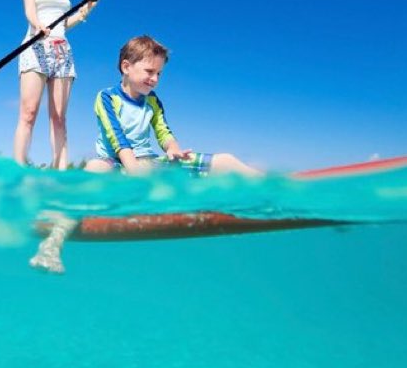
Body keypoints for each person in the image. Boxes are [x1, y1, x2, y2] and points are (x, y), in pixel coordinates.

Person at [29, 35, 261, 273]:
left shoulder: (153, 101)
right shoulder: (107, 97)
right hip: (116, 163)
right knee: (93, 168)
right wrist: (134, 171)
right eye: (150, 71)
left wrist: (174, 150)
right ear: (126, 67)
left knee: (224, 160)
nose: (155, 79)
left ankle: (271, 186)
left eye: (159, 74)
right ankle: (51, 247)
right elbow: (116, 137)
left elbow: (163, 131)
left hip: (146, 163)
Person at [13, 0, 99, 170]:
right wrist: (38, 25)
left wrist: (86, 9)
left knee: (59, 117)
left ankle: (60, 171)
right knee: (28, 113)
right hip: (35, 47)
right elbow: (30, 11)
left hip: (62, 53)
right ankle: (19, 170)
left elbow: (63, 25)